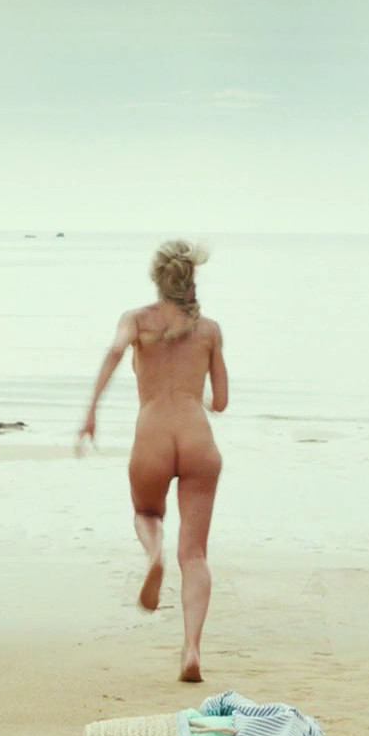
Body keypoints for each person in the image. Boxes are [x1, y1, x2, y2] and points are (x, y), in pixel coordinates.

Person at [77, 239, 230, 683]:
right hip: (198, 439)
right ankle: (191, 649)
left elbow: (113, 352)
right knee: (195, 554)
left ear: (157, 279)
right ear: (190, 280)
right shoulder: (210, 330)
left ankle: (153, 554)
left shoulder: (136, 320)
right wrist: (196, 396)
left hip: (153, 437)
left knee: (147, 513)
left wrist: (91, 412)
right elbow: (221, 401)